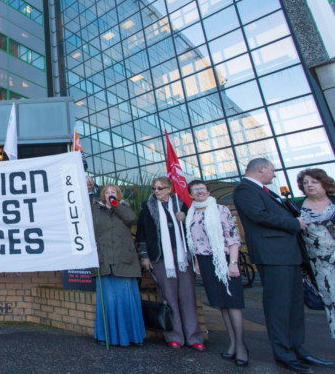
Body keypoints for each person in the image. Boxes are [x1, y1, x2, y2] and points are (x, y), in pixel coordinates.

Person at [233, 158, 333, 373]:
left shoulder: (268, 191)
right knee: (279, 307)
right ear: (261, 169)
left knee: (294, 307)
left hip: (288, 255)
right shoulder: (244, 189)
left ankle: (298, 349)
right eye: (272, 170)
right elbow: (259, 215)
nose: (274, 174)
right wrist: (294, 223)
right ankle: (284, 354)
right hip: (273, 256)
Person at [136, 176, 204, 350]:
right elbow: (142, 234)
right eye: (154, 188)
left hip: (182, 258)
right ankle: (174, 335)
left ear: (169, 189)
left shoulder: (182, 205)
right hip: (161, 258)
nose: (156, 191)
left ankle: (194, 336)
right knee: (169, 297)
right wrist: (145, 256)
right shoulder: (147, 208)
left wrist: (185, 219)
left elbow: (196, 230)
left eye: (160, 188)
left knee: (188, 296)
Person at [185, 180, 247, 366]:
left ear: (208, 191)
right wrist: (196, 262)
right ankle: (232, 344)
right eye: (195, 190)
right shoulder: (191, 214)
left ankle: (241, 346)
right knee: (221, 303)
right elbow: (194, 241)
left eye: (202, 189)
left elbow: (232, 237)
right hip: (205, 261)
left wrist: (233, 263)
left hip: (224, 259)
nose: (199, 192)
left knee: (233, 302)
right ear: (191, 194)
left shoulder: (220, 209)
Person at [91, 184, 145, 346]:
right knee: (107, 299)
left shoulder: (124, 207)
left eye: (113, 192)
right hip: (105, 260)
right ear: (102, 196)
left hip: (124, 259)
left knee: (126, 298)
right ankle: (106, 336)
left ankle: (132, 336)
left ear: (118, 195)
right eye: (106, 193)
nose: (109, 194)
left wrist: (115, 205)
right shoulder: (96, 210)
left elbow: (130, 220)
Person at [295, 168, 335, 339]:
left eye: (314, 182)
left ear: (323, 183)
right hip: (320, 265)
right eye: (306, 183)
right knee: (331, 303)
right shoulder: (297, 209)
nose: (309, 185)